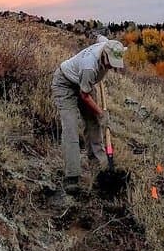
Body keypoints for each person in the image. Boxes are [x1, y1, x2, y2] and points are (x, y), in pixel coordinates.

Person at [51, 35, 126, 194]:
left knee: (94, 125)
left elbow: (101, 38)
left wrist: (98, 117)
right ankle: (72, 177)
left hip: (85, 84)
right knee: (70, 128)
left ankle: (100, 169)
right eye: (109, 63)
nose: (111, 67)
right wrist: (101, 113)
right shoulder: (89, 67)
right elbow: (84, 96)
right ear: (104, 54)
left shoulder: (107, 46)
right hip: (65, 83)